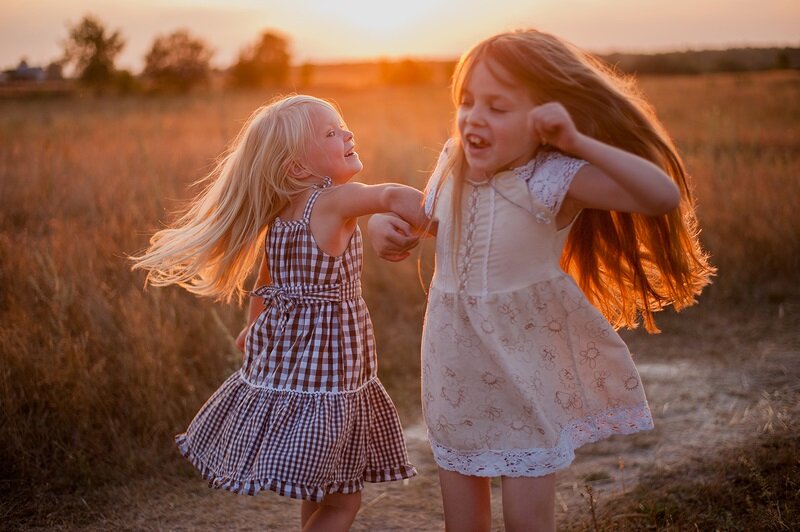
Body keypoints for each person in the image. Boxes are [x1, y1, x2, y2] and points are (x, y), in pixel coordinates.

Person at [368, 29, 714, 531]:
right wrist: (386, 227)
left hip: (522, 365)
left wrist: (576, 142)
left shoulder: (551, 178)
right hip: (452, 363)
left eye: (498, 106)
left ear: (545, 120)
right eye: (467, 101)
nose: (475, 117)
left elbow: (660, 196)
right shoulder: (452, 162)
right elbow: (440, 224)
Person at [131, 94, 425, 531]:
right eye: (330, 133)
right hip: (331, 376)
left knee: (321, 488)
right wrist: (441, 215)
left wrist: (252, 327)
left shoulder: (282, 216)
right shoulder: (332, 202)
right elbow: (386, 194)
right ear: (298, 169)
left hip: (300, 373)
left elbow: (264, 286)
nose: (347, 134)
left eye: (342, 125)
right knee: (345, 502)